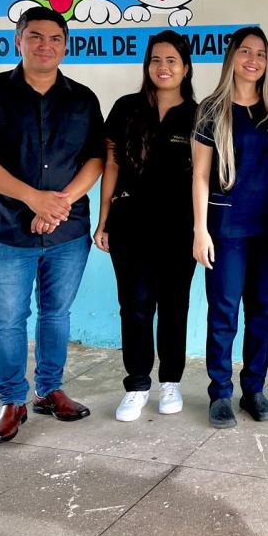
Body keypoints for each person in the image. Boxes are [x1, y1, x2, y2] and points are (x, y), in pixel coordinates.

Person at [0, 7, 104, 443]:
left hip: (68, 231)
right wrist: (32, 198)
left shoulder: (83, 99)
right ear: (18, 41)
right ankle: (11, 401)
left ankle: (49, 390)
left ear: (66, 45)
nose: (46, 45)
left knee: (56, 314)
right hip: (6, 231)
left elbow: (96, 159)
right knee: (8, 320)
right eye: (36, 36)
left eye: (55, 38)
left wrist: (59, 204)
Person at [192, 26, 268, 429]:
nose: (254, 60)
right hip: (225, 227)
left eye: (261, 54)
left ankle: (254, 388)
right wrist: (200, 230)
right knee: (223, 312)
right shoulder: (212, 109)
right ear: (231, 57)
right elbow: (200, 175)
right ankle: (220, 392)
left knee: (262, 311)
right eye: (246, 52)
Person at [93, 31, 198, 422]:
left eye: (171, 60)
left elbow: (204, 178)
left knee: (174, 305)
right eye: (156, 60)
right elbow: (111, 165)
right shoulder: (126, 108)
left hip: (180, 227)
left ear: (185, 68)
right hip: (130, 224)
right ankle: (137, 384)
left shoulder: (199, 114)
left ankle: (170, 381)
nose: (163, 67)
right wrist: (103, 219)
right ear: (147, 65)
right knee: (135, 305)